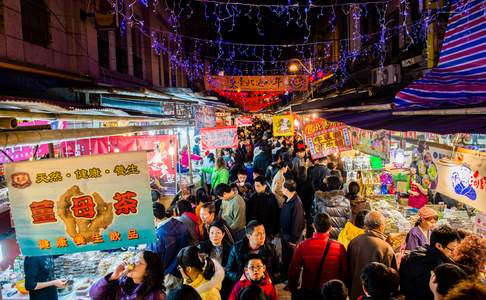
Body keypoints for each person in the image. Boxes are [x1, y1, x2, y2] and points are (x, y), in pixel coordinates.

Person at [288, 213, 347, 298]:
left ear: (313, 226)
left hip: (309, 291)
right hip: (331, 294)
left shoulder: (303, 245)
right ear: (330, 228)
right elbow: (344, 273)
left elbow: (294, 270)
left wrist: (293, 289)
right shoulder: (340, 247)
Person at [400, 225, 460, 300]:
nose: (454, 253)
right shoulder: (440, 268)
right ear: (439, 246)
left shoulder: (411, 255)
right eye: (452, 249)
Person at [348, 211, 398, 300]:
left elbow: (348, 268)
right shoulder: (385, 247)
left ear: (365, 224)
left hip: (355, 292)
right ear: (381, 226)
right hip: (377, 296)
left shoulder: (354, 242)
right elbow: (391, 278)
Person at [90, 250, 166, 300]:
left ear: (148, 272)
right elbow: (94, 295)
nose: (131, 264)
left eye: (137, 262)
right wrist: (112, 277)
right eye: (133, 259)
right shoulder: (121, 281)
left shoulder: (156, 296)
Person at [147, 202, 189, 284]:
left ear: (154, 218)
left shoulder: (159, 234)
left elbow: (154, 257)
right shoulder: (179, 223)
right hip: (181, 267)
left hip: (169, 272)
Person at [280, 178, 306, 278]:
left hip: (291, 239)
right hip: (286, 236)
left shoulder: (296, 204)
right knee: (286, 259)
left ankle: (291, 281)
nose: (281, 189)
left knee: (292, 261)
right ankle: (285, 276)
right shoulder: (289, 199)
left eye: (282, 187)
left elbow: (297, 222)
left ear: (286, 189)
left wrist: (293, 240)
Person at [295, 166, 315, 237]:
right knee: (309, 222)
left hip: (299, 205)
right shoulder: (309, 182)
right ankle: (309, 236)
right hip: (308, 205)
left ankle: (300, 237)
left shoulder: (296, 182)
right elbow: (312, 195)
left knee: (298, 222)